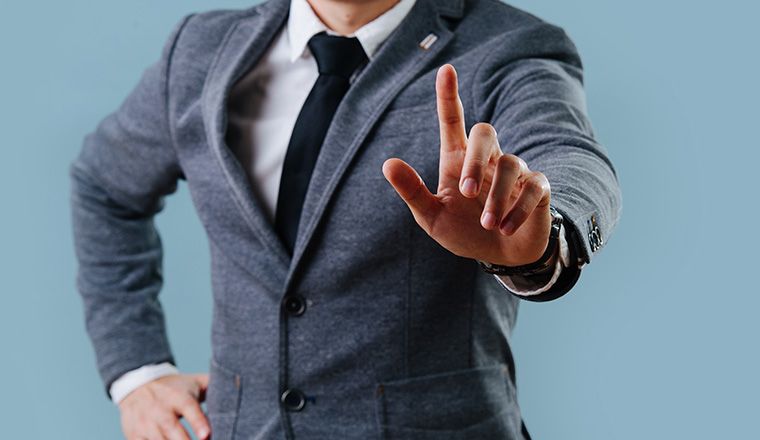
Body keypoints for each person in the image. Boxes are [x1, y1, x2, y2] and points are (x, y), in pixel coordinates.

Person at [70, 0, 622, 438]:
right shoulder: (200, 50)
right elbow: (104, 187)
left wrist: (542, 238)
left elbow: (568, 154)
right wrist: (137, 372)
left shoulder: (506, 47)